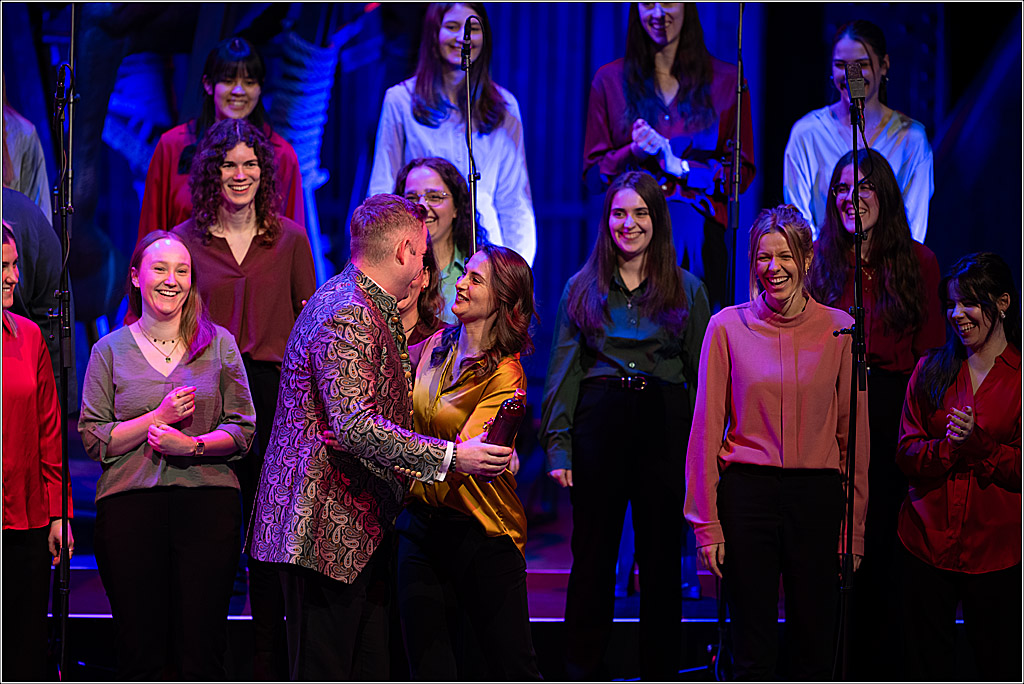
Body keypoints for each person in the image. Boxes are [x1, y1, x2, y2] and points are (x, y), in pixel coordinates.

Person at [247, 194, 514, 681]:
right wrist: (453, 456)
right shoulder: (348, 310)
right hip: (323, 531)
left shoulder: (371, 306)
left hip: (356, 532)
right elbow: (355, 426)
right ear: (405, 251)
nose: (424, 264)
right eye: (422, 252)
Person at [683, 204, 870, 680]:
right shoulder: (726, 327)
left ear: (806, 259)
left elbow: (854, 440)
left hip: (815, 498)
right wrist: (707, 526)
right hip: (749, 496)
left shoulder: (840, 329)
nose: (773, 268)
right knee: (751, 645)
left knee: (814, 641)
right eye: (763, 257)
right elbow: (705, 431)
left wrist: (855, 530)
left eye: (784, 255)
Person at [540, 170, 710, 680]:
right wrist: (558, 447)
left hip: (663, 422)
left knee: (661, 561)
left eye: (640, 213)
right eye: (619, 213)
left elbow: (704, 379)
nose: (628, 223)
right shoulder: (581, 287)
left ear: (657, 221)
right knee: (592, 558)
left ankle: (660, 672)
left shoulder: (687, 289)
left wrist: (706, 455)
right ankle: (581, 670)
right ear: (606, 219)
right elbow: (562, 372)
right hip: (601, 421)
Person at [171, 117, 316, 680]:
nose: (240, 174)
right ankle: (197, 660)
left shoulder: (290, 238)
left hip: (276, 394)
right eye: (229, 164)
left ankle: (267, 661)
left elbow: (313, 323)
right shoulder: (184, 240)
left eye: (250, 164)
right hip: (206, 390)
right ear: (212, 170)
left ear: (265, 170)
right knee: (209, 529)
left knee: (266, 531)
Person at [78, 231, 256, 679]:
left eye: (182, 270)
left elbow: (243, 430)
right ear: (137, 277)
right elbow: (95, 438)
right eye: (160, 269)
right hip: (130, 507)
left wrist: (191, 446)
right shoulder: (109, 350)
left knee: (201, 646)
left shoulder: (219, 344)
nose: (171, 280)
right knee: (141, 647)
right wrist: (155, 419)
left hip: (206, 505)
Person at [805, 147, 944, 679]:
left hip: (891, 407)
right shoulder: (819, 258)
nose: (849, 197)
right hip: (830, 406)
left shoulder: (918, 261)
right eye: (840, 188)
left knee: (882, 543)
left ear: (883, 194)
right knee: (831, 543)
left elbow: (931, 355)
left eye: (861, 187)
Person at [393, 244, 542, 679]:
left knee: (510, 666)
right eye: (464, 275)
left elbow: (467, 453)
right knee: (428, 665)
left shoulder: (505, 374)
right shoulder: (437, 344)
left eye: (475, 279)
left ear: (502, 299)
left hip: (482, 529)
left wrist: (411, 452)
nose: (460, 282)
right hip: (421, 526)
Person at [896, 252, 1021, 682]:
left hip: (996, 551)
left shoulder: (1019, 377)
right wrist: (950, 449)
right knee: (925, 664)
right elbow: (906, 450)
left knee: (996, 664)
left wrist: (979, 445)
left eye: (969, 302)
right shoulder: (932, 368)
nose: (956, 314)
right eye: (952, 303)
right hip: (926, 544)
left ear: (1002, 302)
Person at [583, 2, 755, 311]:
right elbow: (593, 176)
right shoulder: (609, 81)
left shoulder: (728, 82)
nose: (658, 14)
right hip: (630, 232)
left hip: (698, 236)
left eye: (668, 2)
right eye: (648, 4)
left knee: (688, 230)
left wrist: (680, 167)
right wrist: (633, 150)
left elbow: (741, 174)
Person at [368, 3, 536, 265]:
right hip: (422, 252)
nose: (462, 38)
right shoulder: (400, 100)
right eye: (452, 27)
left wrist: (517, 269)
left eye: (472, 28)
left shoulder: (505, 106)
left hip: (487, 255)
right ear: (434, 34)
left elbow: (514, 199)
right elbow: (383, 186)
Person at [138, 36, 304, 243]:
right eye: (228, 81)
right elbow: (151, 233)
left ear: (260, 88)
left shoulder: (281, 154)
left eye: (249, 82)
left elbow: (293, 243)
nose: (238, 91)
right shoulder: (172, 145)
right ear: (208, 85)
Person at [783, 19, 933, 242]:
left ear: (884, 65)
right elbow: (799, 221)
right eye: (841, 65)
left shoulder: (911, 138)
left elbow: (914, 227)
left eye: (861, 65)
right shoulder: (807, 133)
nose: (851, 74)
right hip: (824, 271)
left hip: (891, 270)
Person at [2, 223, 73, 682]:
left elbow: (49, 430)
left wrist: (58, 512)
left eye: (13, 265)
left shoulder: (28, 337)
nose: (12, 277)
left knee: (23, 649)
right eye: (0, 267)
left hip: (24, 519)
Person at [394, 156, 487, 323]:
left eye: (435, 197)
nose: (421, 206)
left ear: (457, 208)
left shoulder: (483, 268)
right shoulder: (390, 269)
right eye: (412, 199)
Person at [397, 240, 446, 347]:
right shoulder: (362, 332)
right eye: (394, 272)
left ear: (425, 277)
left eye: (411, 272)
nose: (402, 282)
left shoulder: (444, 339)